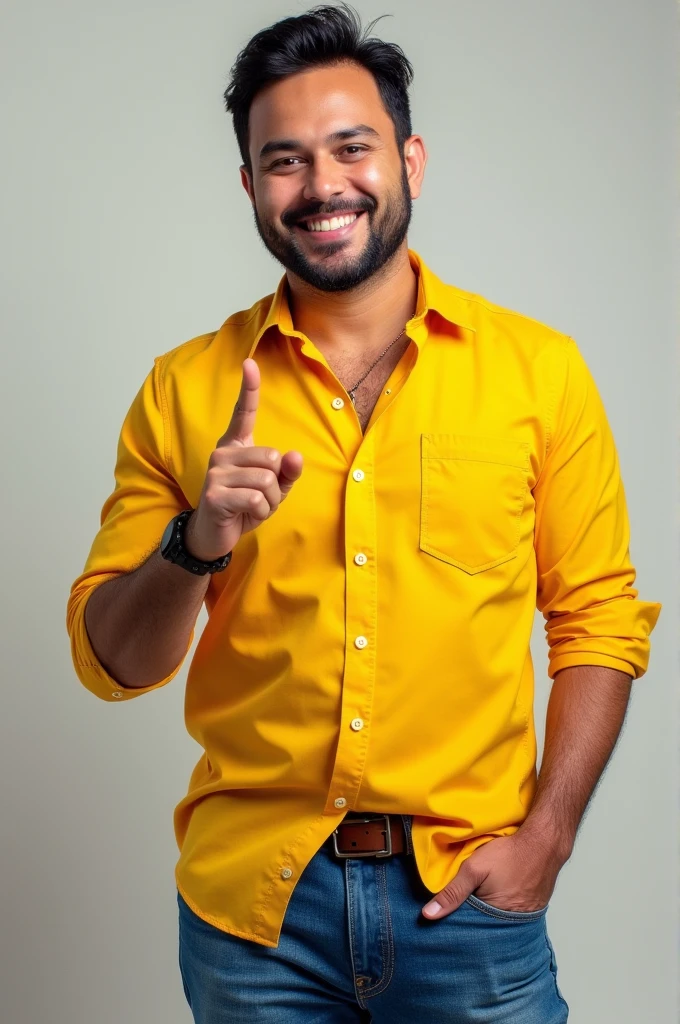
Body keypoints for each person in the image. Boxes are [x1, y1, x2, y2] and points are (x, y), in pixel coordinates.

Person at [66, 4, 661, 1021]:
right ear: (252, 187)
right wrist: (194, 544)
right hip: (253, 918)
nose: (322, 185)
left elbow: (596, 619)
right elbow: (113, 662)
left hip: (466, 904)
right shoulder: (185, 389)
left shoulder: (538, 374)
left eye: (351, 147)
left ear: (409, 160)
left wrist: (547, 837)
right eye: (285, 160)